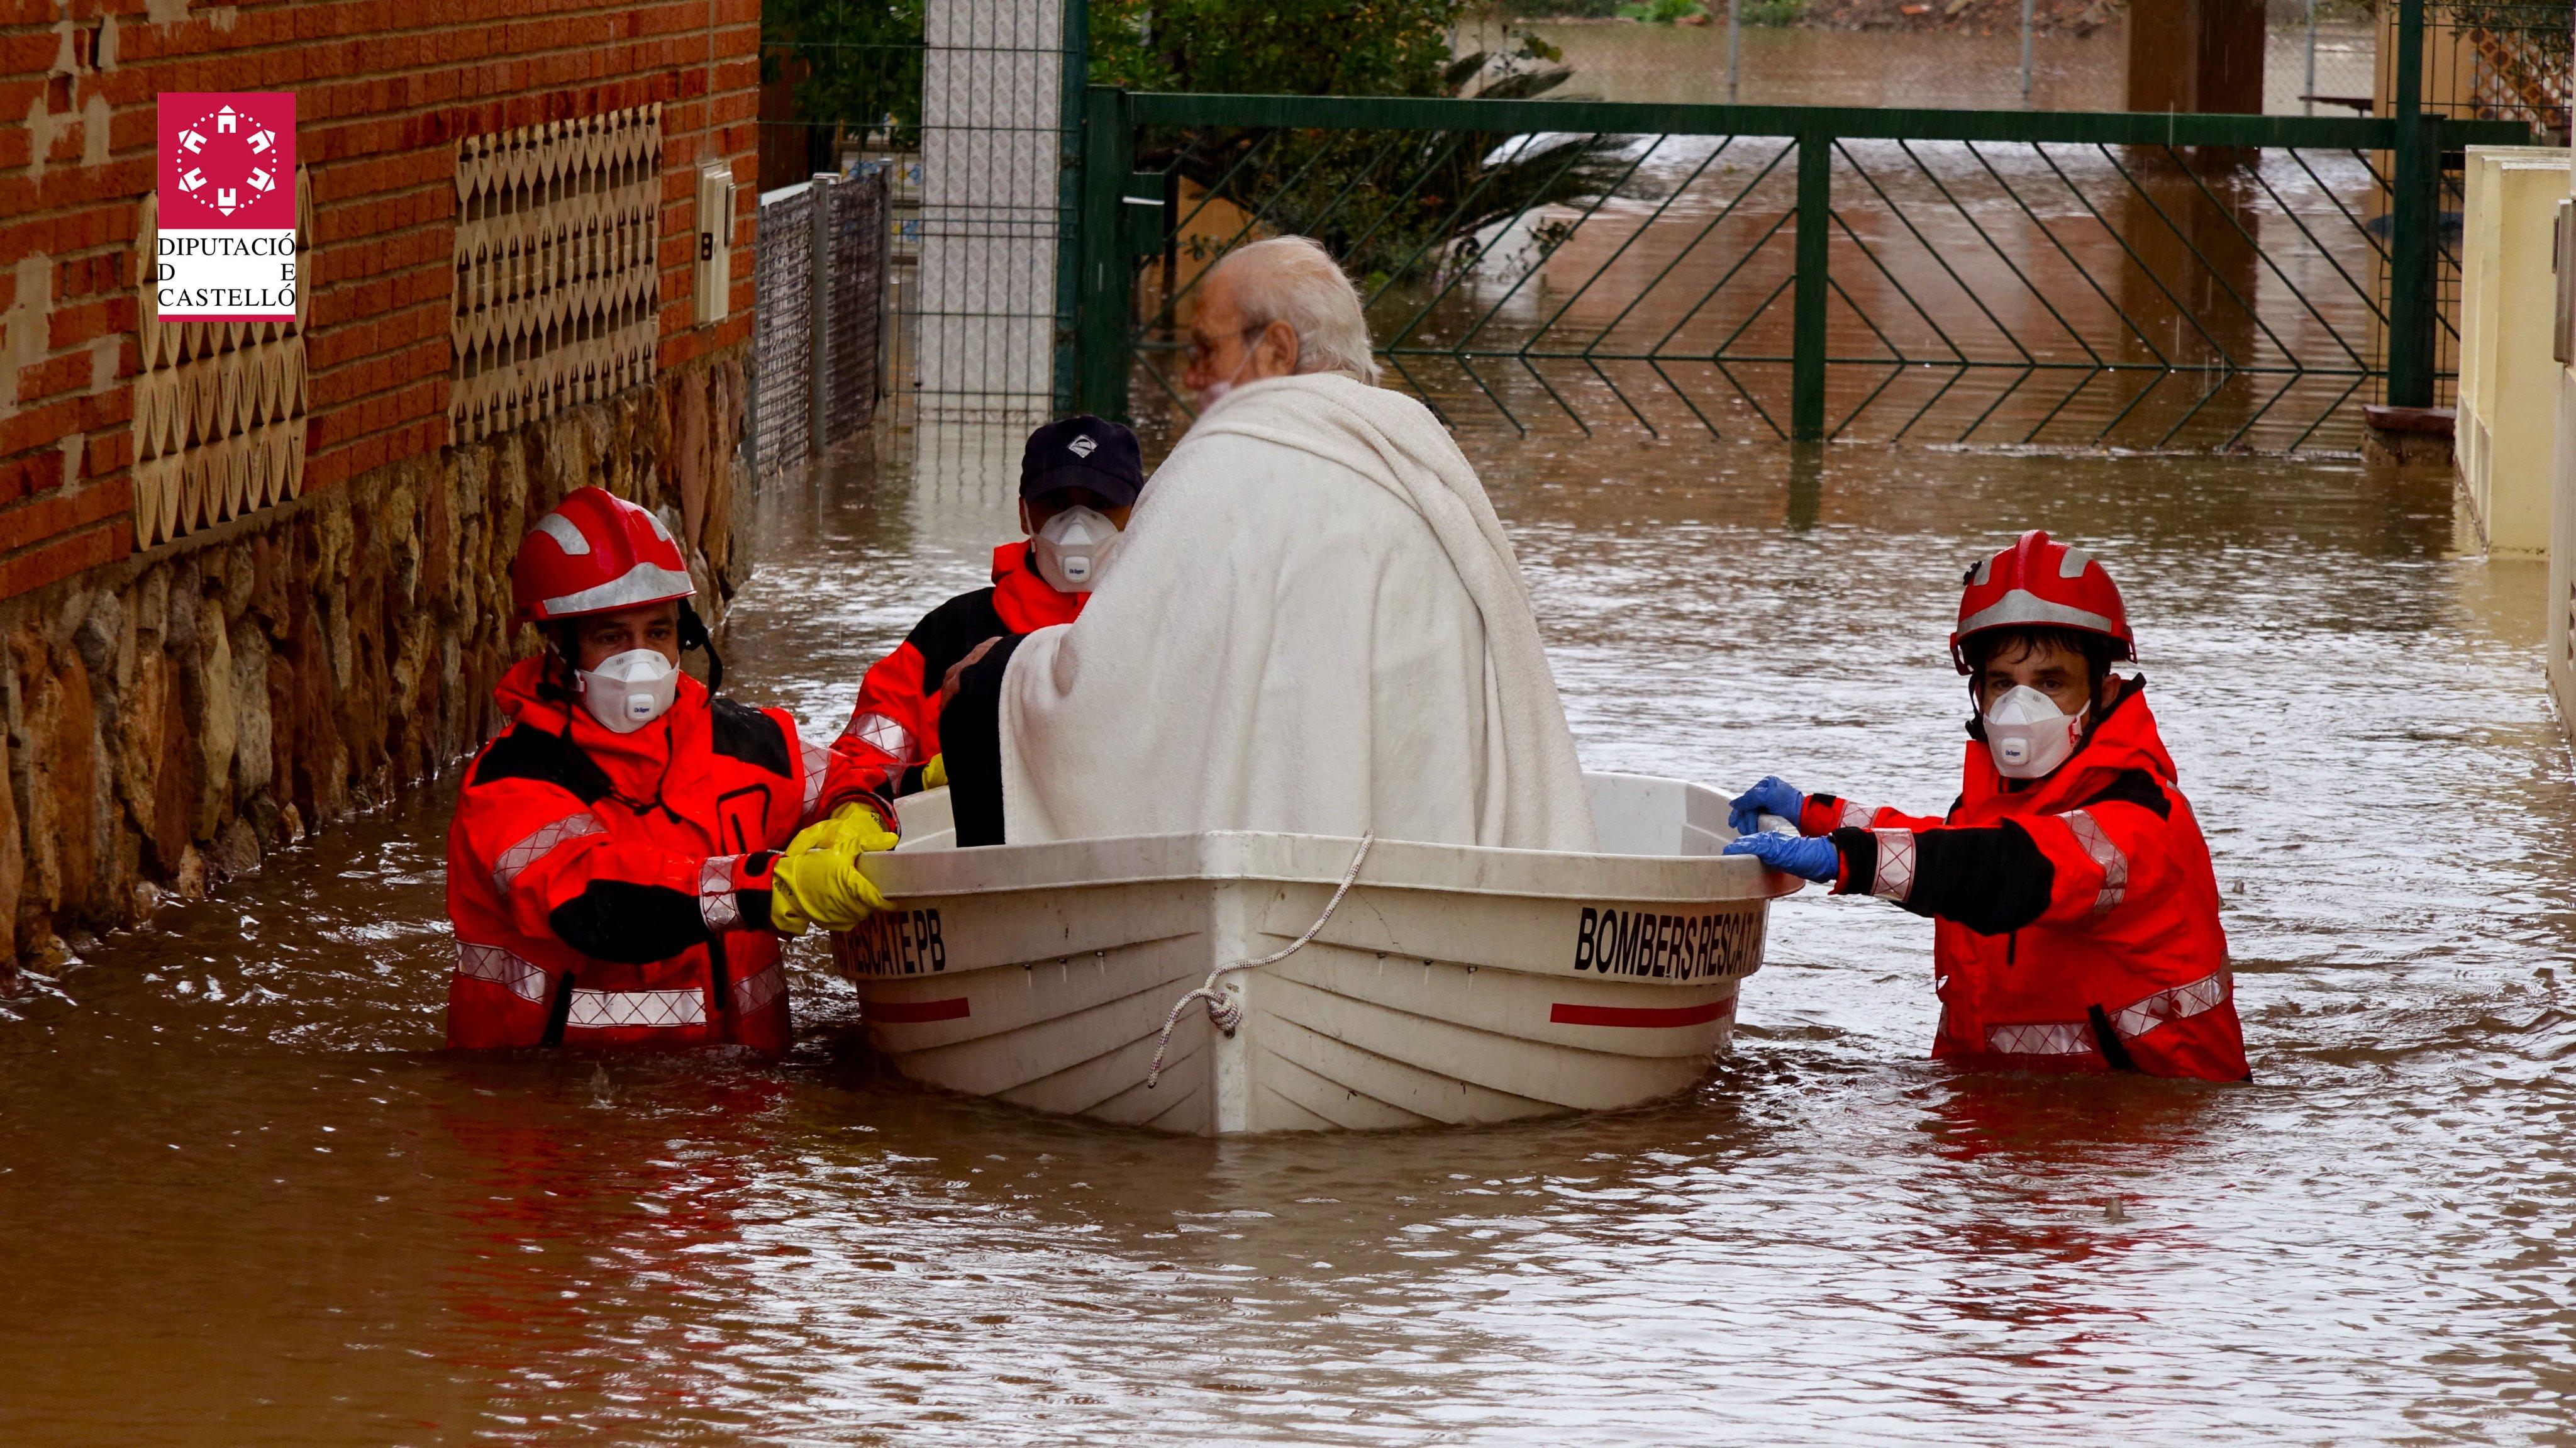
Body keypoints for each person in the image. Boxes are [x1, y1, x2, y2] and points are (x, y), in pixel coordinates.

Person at [933, 235, 1599, 852]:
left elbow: (1108, 692)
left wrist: (1010, 670)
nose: (1192, 379)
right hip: (1435, 859)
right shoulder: (1422, 450)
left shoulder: (1220, 462)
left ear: (1278, 350)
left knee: (979, 694)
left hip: (1263, 869)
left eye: (1206, 352)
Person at [1721, 530, 2249, 1081]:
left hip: (2142, 1140)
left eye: (2051, 682)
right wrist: (1816, 814)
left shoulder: (2141, 821)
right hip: (2007, 1118)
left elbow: (2006, 867)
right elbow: (1948, 842)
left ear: (2105, 694)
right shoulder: (2002, 803)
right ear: (1979, 694)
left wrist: (1847, 858)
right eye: (2003, 682)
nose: (2023, 706)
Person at [445, 487, 886, 1053]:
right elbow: (597, 905)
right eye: (612, 637)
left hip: (739, 1117)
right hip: (564, 1119)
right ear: (556, 646)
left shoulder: (746, 743)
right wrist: (768, 887)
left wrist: (858, 817)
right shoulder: (511, 783)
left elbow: (855, 778)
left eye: (658, 632)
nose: (643, 659)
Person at [809, 416, 1145, 828]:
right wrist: (859, 807)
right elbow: (866, 756)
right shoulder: (947, 635)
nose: (1078, 526)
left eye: (1101, 505)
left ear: (1140, 515)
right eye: (1056, 505)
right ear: (1024, 514)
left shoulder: (1161, 627)